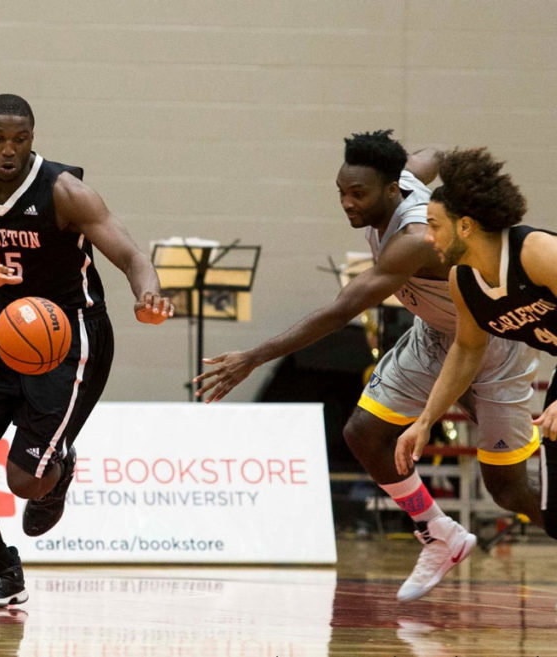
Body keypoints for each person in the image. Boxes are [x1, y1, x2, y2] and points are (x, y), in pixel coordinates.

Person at [194, 130, 540, 602]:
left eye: (358, 194)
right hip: (436, 333)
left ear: (391, 190)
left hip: (491, 341)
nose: (347, 203)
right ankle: (439, 533)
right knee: (363, 432)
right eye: (341, 192)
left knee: (510, 489)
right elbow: (435, 154)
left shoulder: (415, 239)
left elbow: (340, 312)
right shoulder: (407, 178)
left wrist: (252, 357)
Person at [0, 93, 172, 608]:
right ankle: (0, 567)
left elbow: (130, 253)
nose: (9, 150)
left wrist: (149, 294)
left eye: (20, 139)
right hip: (3, 321)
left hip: (68, 329)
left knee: (24, 481)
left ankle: (58, 466)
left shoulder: (65, 191)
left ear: (33, 139)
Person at [396, 148, 557, 535]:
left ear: (465, 226)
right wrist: (424, 421)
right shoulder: (463, 281)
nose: (428, 236)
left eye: (434, 225)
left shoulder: (538, 253)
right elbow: (467, 350)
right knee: (555, 516)